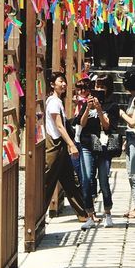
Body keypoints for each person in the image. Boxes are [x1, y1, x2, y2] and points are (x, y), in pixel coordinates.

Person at [43, 72, 94, 224]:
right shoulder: (53, 102)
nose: (64, 84)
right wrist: (72, 145)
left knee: (69, 181)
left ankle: (83, 213)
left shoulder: (58, 101)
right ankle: (37, 214)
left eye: (64, 81)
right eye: (60, 81)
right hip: (55, 145)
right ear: (53, 84)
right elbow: (58, 125)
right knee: (48, 181)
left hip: (61, 146)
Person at [78, 74, 121, 227]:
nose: (99, 89)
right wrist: (88, 108)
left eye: (102, 87)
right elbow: (81, 123)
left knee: (103, 180)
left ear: (108, 88)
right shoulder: (88, 102)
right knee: (86, 179)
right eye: (97, 86)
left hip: (103, 146)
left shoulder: (112, 105)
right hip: (87, 143)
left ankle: (108, 212)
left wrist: (100, 110)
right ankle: (90, 214)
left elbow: (107, 126)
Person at [120, 67, 135, 218]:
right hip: (130, 139)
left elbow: (133, 122)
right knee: (130, 173)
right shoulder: (133, 98)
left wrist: (121, 113)